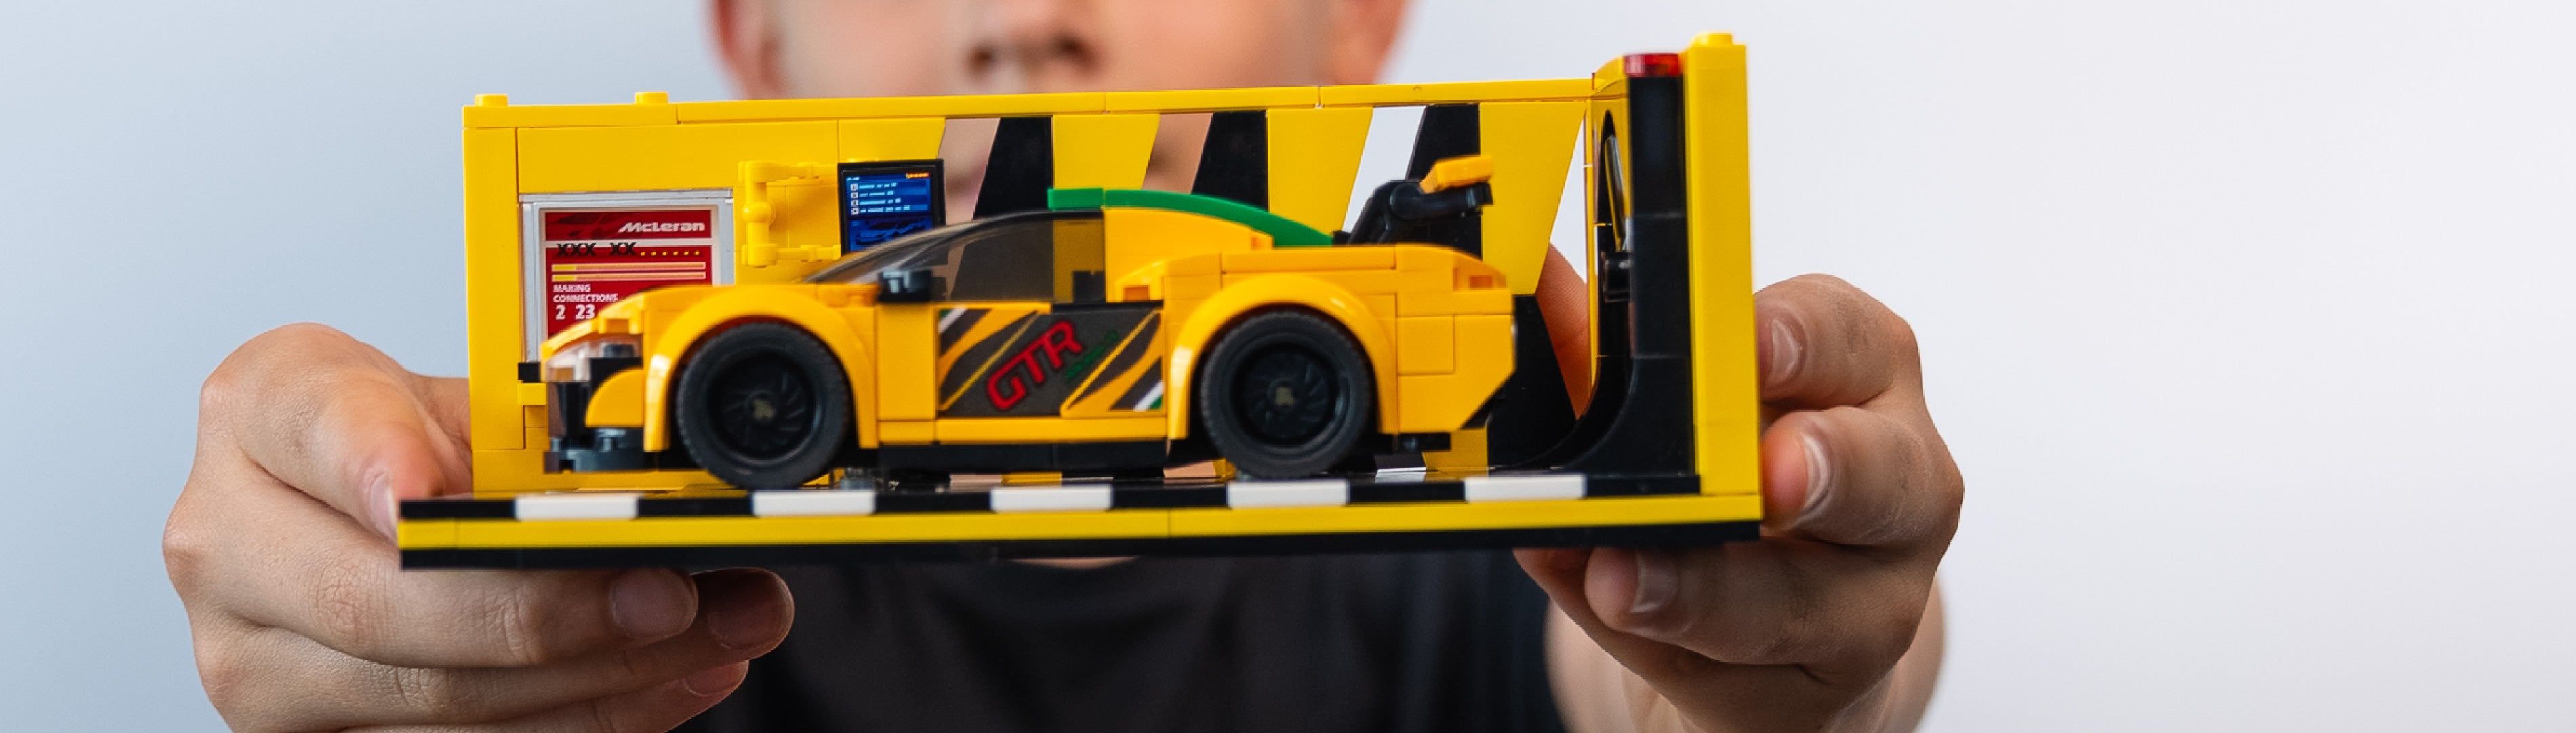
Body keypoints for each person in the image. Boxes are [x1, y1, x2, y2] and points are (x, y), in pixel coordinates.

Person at [163, 1, 1961, 731]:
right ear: (755, 46)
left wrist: (1784, 653)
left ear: (1355, 25)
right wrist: (371, 607)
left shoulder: (1472, 556)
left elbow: (1660, 683)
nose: (1022, 18)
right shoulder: (632, 619)